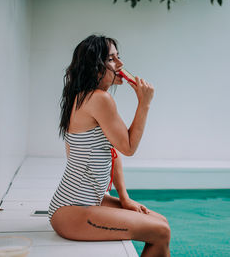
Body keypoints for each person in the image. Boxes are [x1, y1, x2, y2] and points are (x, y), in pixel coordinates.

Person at [47, 34, 171, 257]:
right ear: (95, 66)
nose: (121, 64)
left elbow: (113, 152)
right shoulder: (98, 99)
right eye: (112, 59)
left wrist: (124, 198)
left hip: (85, 201)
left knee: (161, 222)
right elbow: (129, 148)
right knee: (160, 231)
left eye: (118, 57)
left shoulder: (82, 96)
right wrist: (144, 104)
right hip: (72, 210)